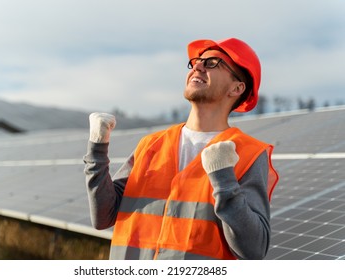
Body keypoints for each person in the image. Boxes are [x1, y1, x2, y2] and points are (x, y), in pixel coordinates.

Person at [84, 37, 279, 260]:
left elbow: (254, 250)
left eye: (212, 63)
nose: (197, 66)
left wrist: (224, 179)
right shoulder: (151, 145)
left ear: (237, 88)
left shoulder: (247, 154)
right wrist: (97, 150)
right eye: (196, 62)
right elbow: (103, 216)